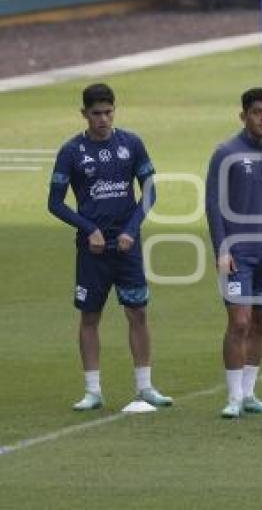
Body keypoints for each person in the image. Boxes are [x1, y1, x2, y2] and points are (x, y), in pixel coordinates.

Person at [48, 83, 172, 410]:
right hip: (92, 251)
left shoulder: (131, 144)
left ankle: (145, 388)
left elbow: (150, 192)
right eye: (96, 113)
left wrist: (132, 230)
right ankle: (93, 391)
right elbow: (55, 203)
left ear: (114, 110)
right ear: (84, 114)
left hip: (127, 247)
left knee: (138, 312)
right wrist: (89, 229)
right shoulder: (71, 151)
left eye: (108, 112)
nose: (103, 119)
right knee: (90, 316)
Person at [205, 88, 262, 418]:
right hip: (236, 253)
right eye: (256, 112)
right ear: (243, 116)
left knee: (259, 322)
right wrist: (221, 248)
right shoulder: (225, 152)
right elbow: (213, 204)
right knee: (239, 321)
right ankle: (232, 397)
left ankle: (249, 394)